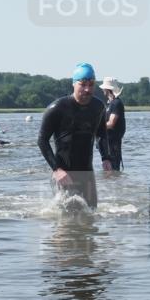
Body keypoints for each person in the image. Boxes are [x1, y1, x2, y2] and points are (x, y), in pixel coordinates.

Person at [38, 62, 111, 208]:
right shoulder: (57, 108)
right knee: (66, 215)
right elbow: (42, 140)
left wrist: (106, 157)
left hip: (87, 173)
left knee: (91, 213)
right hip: (63, 173)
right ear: (74, 84)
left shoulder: (98, 107)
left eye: (91, 85)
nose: (87, 89)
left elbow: (101, 134)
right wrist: (56, 169)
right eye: (82, 85)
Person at [97, 77, 126, 171]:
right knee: (108, 171)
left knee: (113, 169)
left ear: (108, 89)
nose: (102, 90)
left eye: (104, 88)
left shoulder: (117, 103)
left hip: (113, 143)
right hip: (107, 143)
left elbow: (111, 123)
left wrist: (95, 127)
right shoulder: (110, 104)